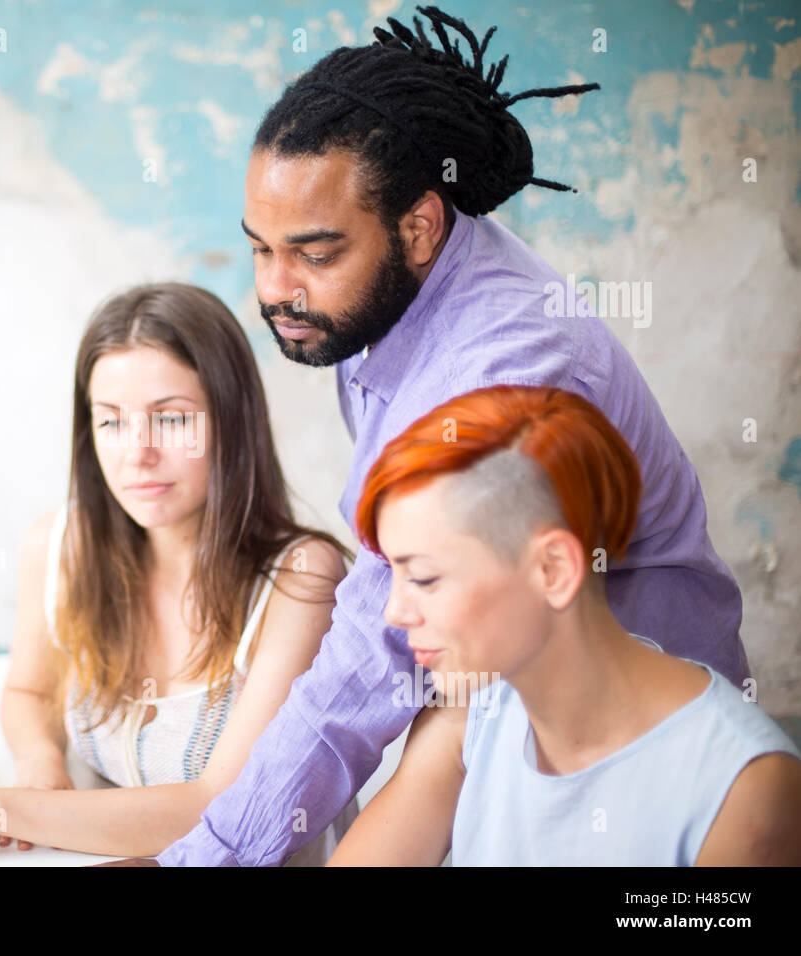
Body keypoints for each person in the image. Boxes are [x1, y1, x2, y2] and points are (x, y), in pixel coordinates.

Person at [158, 5, 751, 866]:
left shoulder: (494, 368)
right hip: (499, 677)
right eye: (260, 249)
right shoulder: (381, 295)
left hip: (633, 740)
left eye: (314, 255)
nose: (276, 290)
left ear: (421, 226)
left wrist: (208, 851)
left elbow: (378, 645)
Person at [0, 282, 359, 864]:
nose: (137, 454)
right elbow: (29, 691)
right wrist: (38, 759)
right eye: (111, 422)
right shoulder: (61, 545)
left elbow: (216, 807)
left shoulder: (301, 578)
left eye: (172, 419)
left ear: (232, 421)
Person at [327, 385, 801, 866]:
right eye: (394, 573)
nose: (395, 612)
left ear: (554, 569)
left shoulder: (745, 791)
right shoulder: (473, 713)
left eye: (425, 578)